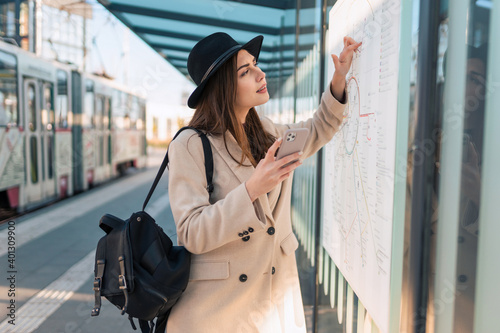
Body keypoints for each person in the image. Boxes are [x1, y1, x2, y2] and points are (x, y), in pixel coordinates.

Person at [166, 32, 361, 333]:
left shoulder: (267, 132)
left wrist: (339, 78)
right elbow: (191, 232)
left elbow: (319, 128)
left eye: (255, 64)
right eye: (246, 72)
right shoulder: (190, 144)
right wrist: (251, 190)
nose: (260, 73)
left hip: (275, 302)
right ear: (223, 87)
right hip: (219, 311)